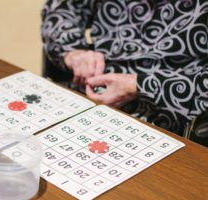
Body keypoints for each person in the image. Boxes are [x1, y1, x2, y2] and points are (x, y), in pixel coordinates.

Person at [41, 0, 208, 135]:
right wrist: (72, 51)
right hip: (87, 93)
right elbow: (65, 6)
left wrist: (138, 85)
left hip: (167, 119)